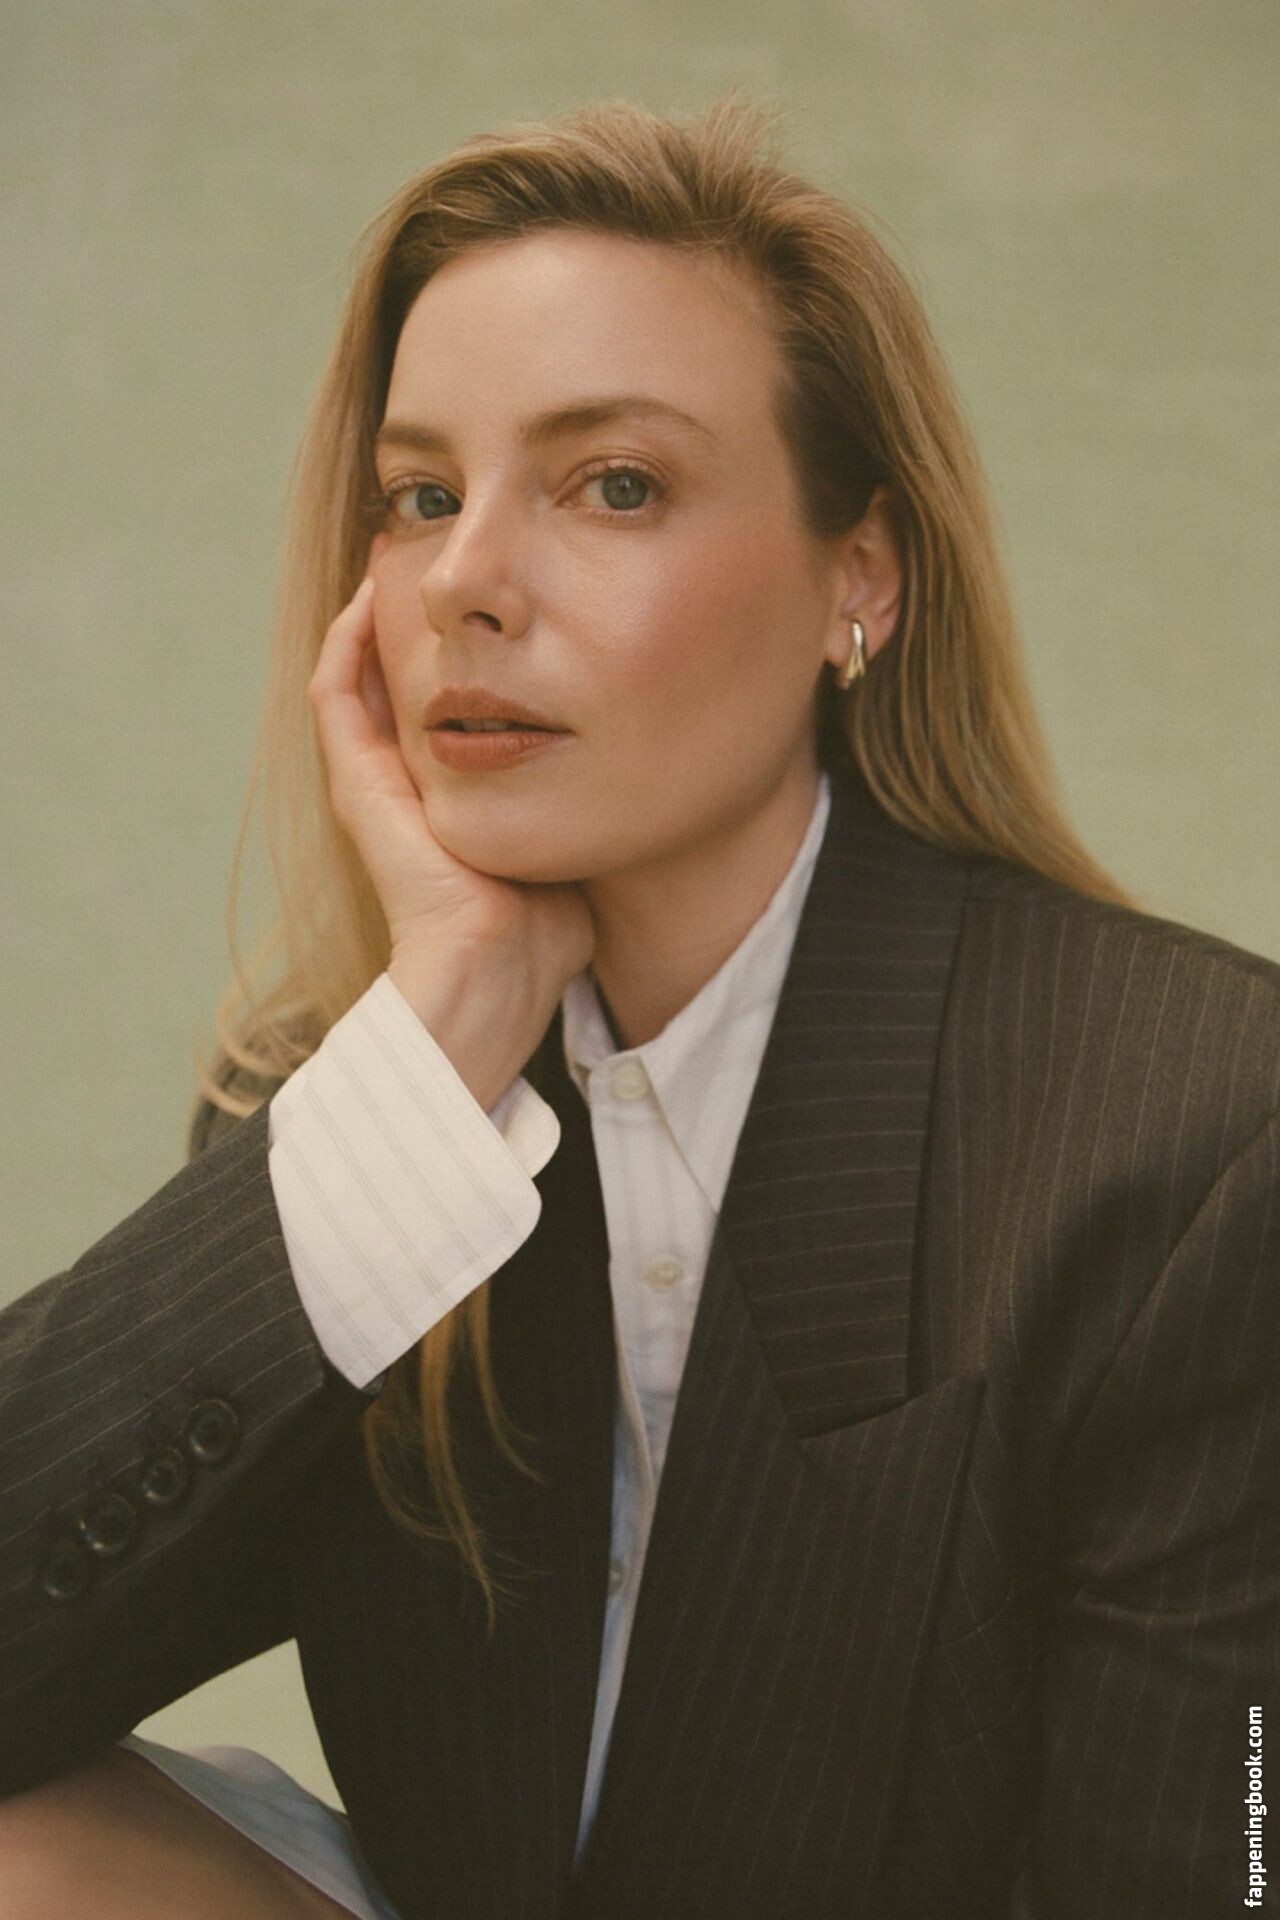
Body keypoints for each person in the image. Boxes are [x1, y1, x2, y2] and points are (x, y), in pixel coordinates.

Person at [0, 90, 1276, 1920]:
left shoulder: (1197, 1137)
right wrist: (439, 1033)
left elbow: (1215, 1867)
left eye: (615, 485)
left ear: (860, 576)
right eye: (421, 498)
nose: (467, 583)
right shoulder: (364, 1105)